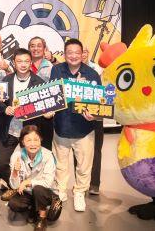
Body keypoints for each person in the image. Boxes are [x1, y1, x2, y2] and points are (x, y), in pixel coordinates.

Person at [47, 38, 101, 212]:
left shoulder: (92, 74)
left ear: (82, 54)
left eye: (77, 52)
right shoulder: (56, 70)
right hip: (61, 126)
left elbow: (99, 102)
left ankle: (79, 192)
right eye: (70, 53)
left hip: (84, 129)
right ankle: (60, 190)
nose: (73, 56)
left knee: (84, 165)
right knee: (60, 164)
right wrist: (49, 109)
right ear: (64, 54)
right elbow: (52, 95)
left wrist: (94, 114)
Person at [0, 49, 45, 200]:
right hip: (10, 129)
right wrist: (5, 108)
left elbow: (44, 105)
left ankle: (26, 188)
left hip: (29, 130)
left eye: (26, 61)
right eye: (19, 61)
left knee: (30, 163)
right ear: (14, 63)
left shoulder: (39, 83)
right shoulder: (6, 80)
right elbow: (0, 101)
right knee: (1, 162)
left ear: (31, 63)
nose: (23, 64)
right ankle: (13, 186)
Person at [8, 125, 62, 231]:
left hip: (46, 191)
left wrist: (28, 182)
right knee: (14, 204)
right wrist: (14, 172)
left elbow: (48, 183)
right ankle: (34, 208)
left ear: (40, 140)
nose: (33, 144)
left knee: (38, 190)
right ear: (23, 142)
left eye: (36, 140)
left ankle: (42, 217)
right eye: (28, 140)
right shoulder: (16, 156)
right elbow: (14, 186)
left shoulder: (48, 155)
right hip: (28, 192)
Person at [82, 48, 104, 196]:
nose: (82, 55)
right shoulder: (69, 70)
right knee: (79, 152)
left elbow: (106, 94)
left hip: (96, 115)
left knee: (96, 150)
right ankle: (81, 184)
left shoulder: (97, 70)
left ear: (88, 53)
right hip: (77, 116)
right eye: (79, 52)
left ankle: (94, 184)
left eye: (84, 52)